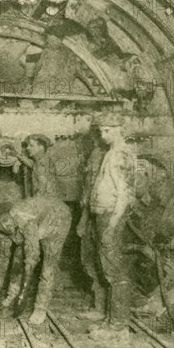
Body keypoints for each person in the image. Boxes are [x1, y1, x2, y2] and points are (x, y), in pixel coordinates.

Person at [0, 195, 72, 326]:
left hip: (57, 218)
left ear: (9, 215)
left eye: (5, 221)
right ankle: (11, 295)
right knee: (18, 256)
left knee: (48, 265)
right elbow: (3, 260)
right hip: (38, 219)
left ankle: (40, 308)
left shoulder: (24, 219)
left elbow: (32, 259)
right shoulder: (2, 229)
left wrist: (23, 295)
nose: (6, 226)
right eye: (0, 225)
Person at [88, 113, 138, 326]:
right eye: (101, 131)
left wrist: (111, 225)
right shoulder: (112, 152)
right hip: (104, 216)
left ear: (120, 129)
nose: (103, 135)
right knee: (108, 268)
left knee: (114, 272)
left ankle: (118, 326)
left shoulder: (120, 154)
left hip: (111, 217)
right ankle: (112, 319)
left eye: (107, 130)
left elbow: (125, 195)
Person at [76, 123, 109, 321]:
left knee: (94, 260)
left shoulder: (99, 155)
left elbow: (93, 193)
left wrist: (83, 220)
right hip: (93, 215)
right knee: (93, 260)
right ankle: (99, 303)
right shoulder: (98, 154)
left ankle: (101, 307)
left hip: (94, 217)